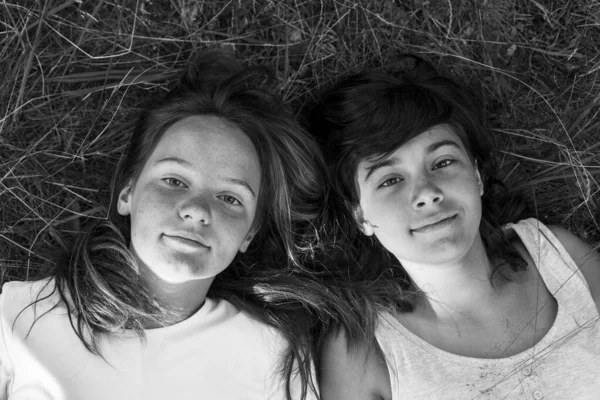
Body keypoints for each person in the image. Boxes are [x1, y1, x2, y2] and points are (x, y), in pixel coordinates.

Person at [0, 52, 326, 400]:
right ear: (127, 193)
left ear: (250, 233)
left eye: (230, 198)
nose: (197, 210)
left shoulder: (279, 353)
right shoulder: (18, 317)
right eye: (174, 180)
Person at [311, 55, 600, 399]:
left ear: (476, 175)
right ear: (360, 216)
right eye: (390, 180)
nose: (427, 194)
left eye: (443, 162)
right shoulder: (362, 351)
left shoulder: (559, 258)